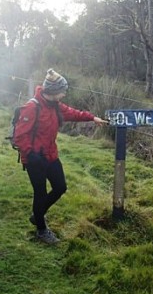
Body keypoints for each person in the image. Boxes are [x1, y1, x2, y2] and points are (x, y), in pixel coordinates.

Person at [13, 68, 108, 244]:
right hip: (34, 159)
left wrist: (92, 118)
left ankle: (38, 214)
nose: (64, 94)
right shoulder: (32, 107)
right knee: (39, 193)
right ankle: (42, 230)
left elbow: (73, 113)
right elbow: (20, 135)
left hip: (50, 155)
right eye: (62, 91)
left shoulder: (55, 106)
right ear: (54, 91)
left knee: (60, 187)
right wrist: (30, 154)